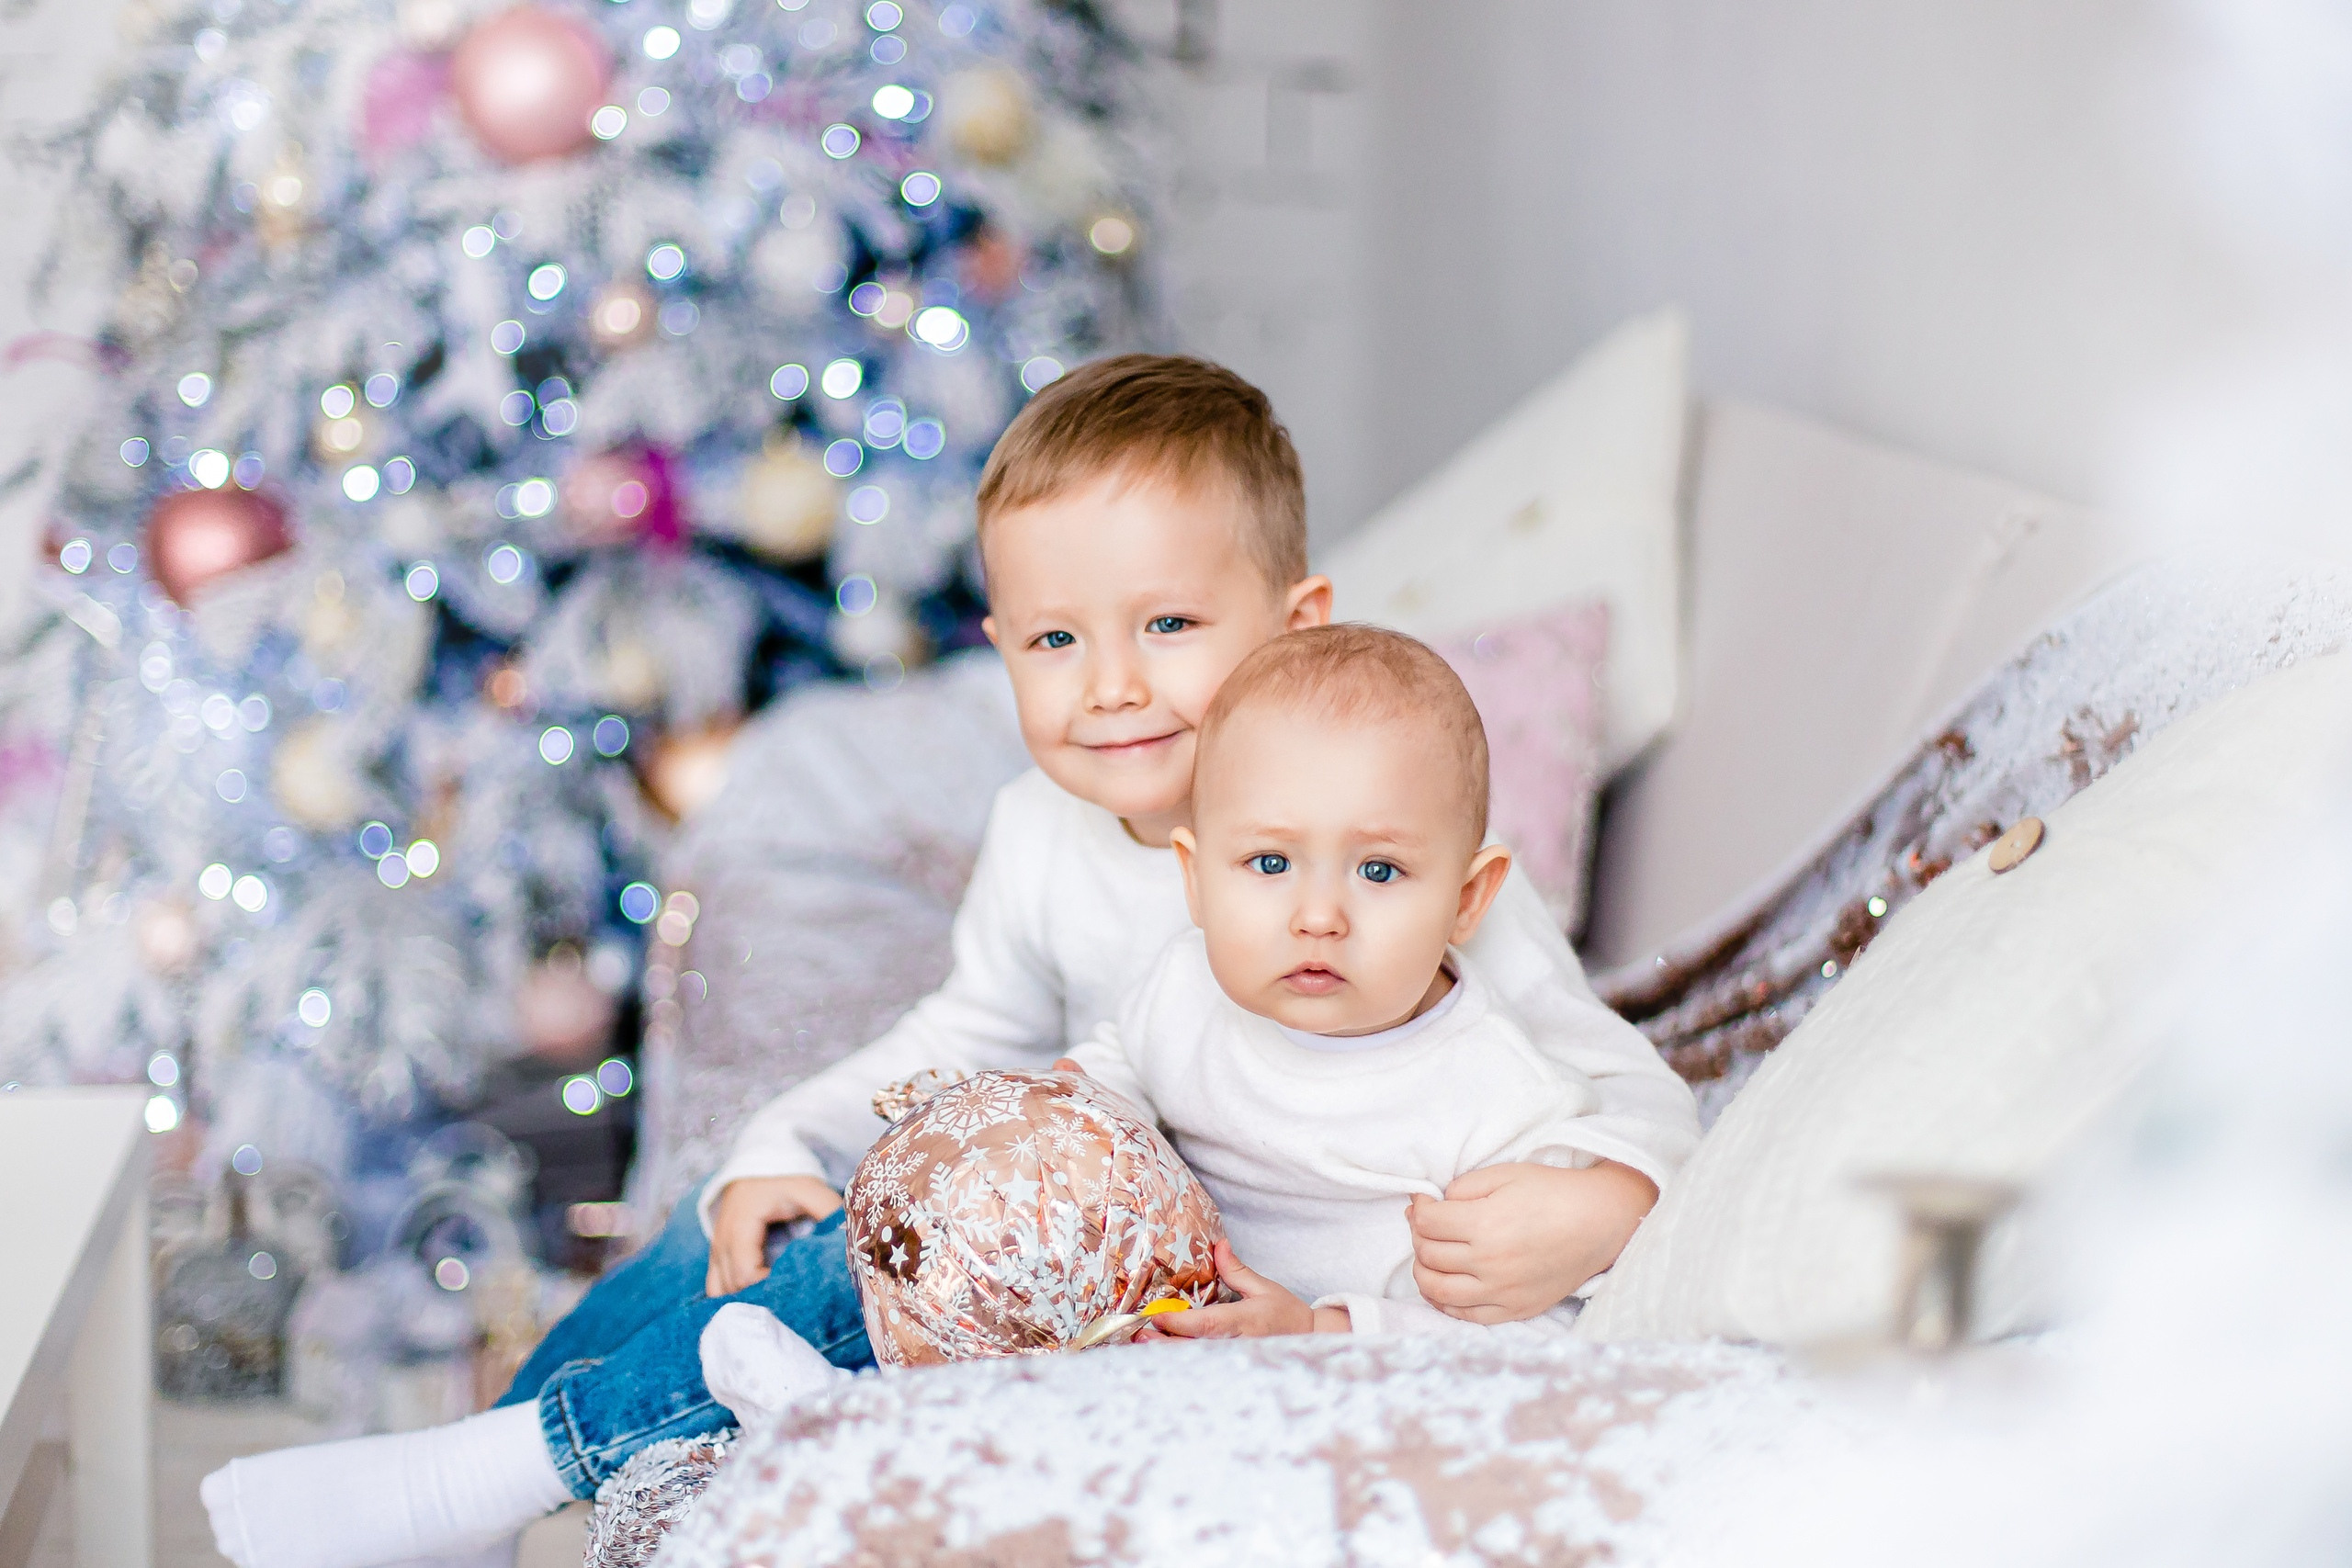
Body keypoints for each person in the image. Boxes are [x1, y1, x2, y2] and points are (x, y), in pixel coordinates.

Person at [202, 355, 1698, 1568]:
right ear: (1002, 647)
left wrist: (1597, 1203)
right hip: (1060, 1236)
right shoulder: (1048, 829)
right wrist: (781, 1142)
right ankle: (487, 1489)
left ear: (1296, 621)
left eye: (1170, 624)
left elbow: (1627, 1088)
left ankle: (503, 1467)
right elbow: (969, 1032)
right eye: (1055, 641)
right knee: (727, 1216)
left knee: (894, 1232)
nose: (1110, 687)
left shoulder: (1401, 867)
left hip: (1185, 1291)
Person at [1068, 624, 1623, 1341]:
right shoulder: (1182, 988)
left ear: (1467, 899)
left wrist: (1322, 1328)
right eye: (1270, 863)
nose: (1319, 916)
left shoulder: (1502, 1102)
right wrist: (1074, 1109)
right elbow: (1118, 1065)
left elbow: (1544, 1329)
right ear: (1195, 880)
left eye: (1378, 869)